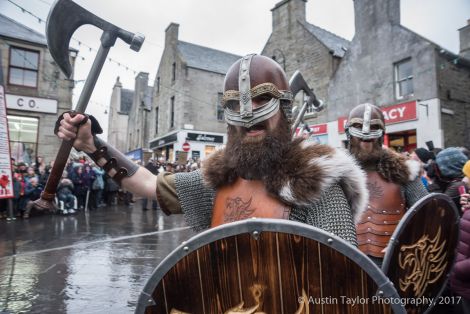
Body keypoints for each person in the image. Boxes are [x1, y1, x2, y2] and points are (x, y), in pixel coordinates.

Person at [55, 54, 368, 244]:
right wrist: (90, 144)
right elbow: (147, 183)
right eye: (235, 105)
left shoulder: (317, 183)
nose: (248, 114)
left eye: (263, 101)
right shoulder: (220, 178)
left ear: (285, 109)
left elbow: (340, 282)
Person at [345, 103, 428, 266]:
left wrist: (404, 240)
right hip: (346, 264)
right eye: (358, 129)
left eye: (373, 130)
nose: (365, 137)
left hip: (394, 264)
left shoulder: (402, 172)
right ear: (348, 133)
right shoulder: (335, 172)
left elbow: (427, 216)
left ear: (382, 134)